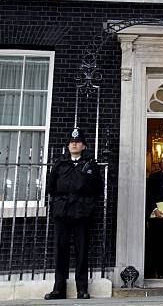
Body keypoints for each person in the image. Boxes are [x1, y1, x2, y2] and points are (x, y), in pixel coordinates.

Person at [44, 127, 103, 300]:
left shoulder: (91, 165)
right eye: (71, 142)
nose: (74, 144)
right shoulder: (60, 164)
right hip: (62, 212)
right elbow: (51, 187)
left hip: (82, 212)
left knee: (82, 251)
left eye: (77, 142)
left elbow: (98, 189)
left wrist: (88, 204)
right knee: (60, 251)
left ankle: (82, 289)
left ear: (84, 146)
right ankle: (58, 289)